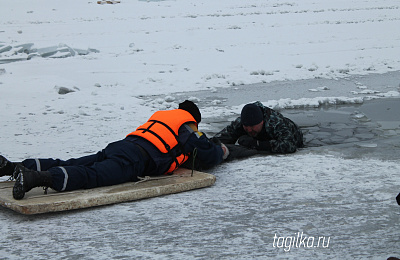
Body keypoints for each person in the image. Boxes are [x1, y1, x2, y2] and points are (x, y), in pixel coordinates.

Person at [0, 100, 229, 200]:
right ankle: (36, 178)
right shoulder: (188, 125)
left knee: (76, 162)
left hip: (122, 145)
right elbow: (207, 154)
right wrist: (222, 151)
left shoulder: (164, 115)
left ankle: (11, 167)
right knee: (94, 176)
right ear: (195, 118)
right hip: (136, 159)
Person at [214, 101, 304, 154]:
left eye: (252, 126)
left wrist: (258, 144)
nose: (249, 130)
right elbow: (225, 134)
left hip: (295, 138)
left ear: (262, 122)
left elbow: (290, 145)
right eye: (246, 126)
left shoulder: (275, 122)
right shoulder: (241, 121)